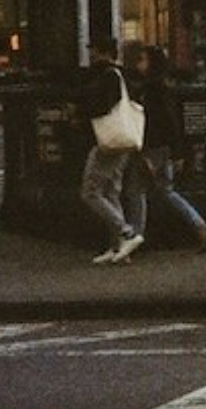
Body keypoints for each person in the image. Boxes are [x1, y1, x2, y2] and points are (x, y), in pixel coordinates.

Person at [133, 44, 206, 253]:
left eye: (142, 59)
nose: (139, 64)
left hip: (154, 146)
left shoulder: (152, 89)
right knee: (163, 190)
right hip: (163, 146)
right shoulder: (162, 86)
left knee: (139, 190)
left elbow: (163, 121)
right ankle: (197, 223)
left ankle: (135, 235)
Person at [79, 37, 146, 265]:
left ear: (104, 52)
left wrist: (81, 110)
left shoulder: (108, 76)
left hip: (108, 140)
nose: (92, 55)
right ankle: (118, 247)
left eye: (94, 51)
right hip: (125, 139)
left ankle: (127, 232)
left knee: (90, 192)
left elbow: (100, 106)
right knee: (111, 192)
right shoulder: (126, 75)